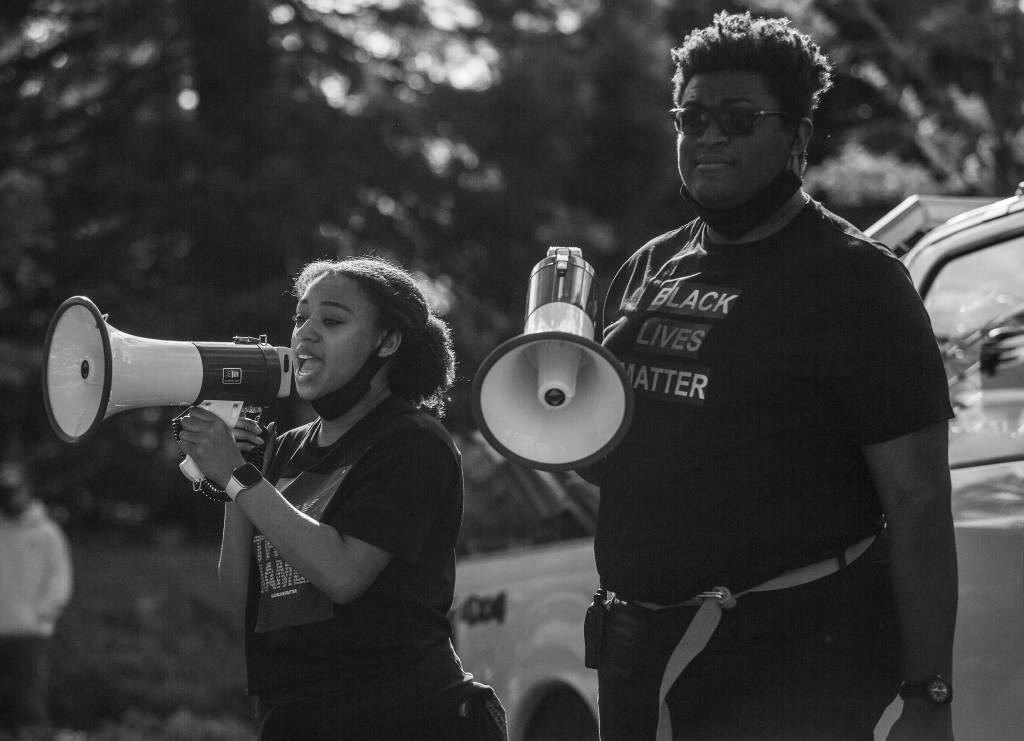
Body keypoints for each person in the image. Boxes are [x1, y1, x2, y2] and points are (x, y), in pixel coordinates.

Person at [580, 12, 957, 741]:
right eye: (693, 116)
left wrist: (928, 694)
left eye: (739, 117)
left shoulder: (856, 282)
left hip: (792, 663)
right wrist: (549, 442)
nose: (710, 135)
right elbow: (623, 447)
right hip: (638, 653)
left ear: (797, 138)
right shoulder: (647, 267)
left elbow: (915, 500)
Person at [177, 256, 505, 741]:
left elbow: (343, 574)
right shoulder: (284, 448)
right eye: (300, 317)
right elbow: (242, 594)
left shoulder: (413, 441)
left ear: (387, 342)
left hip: (402, 717)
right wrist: (233, 479)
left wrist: (238, 475)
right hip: (295, 717)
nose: (305, 333)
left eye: (331, 320)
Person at [0, 461, 73, 735]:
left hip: (30, 634)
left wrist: (41, 615)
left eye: (14, 490)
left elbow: (59, 580)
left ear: (27, 489)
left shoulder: (46, 533)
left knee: (30, 705)